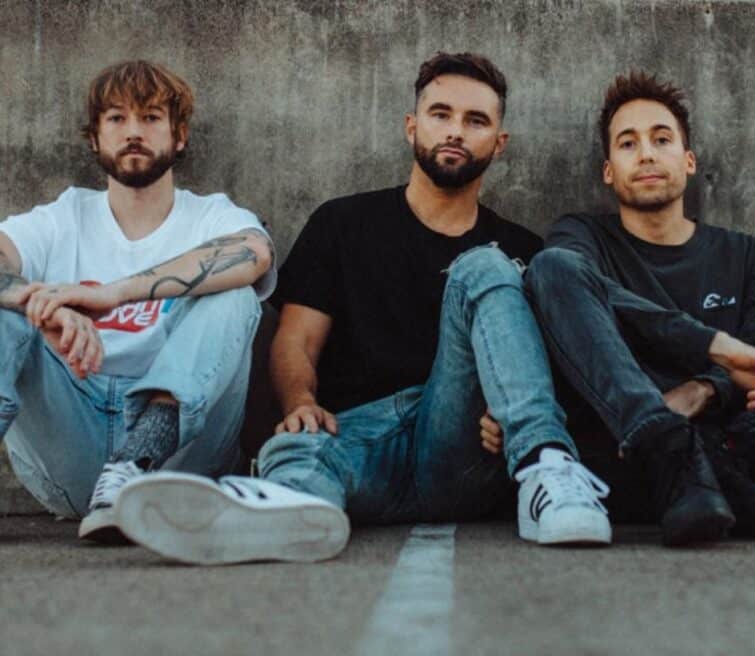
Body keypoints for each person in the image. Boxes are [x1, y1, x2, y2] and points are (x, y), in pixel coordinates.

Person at [111, 52, 617, 565]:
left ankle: (544, 463)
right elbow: (296, 340)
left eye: (476, 121)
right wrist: (300, 403)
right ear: (412, 125)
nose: (455, 131)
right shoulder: (342, 223)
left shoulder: (520, 249)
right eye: (441, 114)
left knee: (485, 266)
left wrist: (502, 413)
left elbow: (546, 364)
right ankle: (280, 515)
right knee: (293, 450)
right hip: (358, 438)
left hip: (462, 446)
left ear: (499, 142)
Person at [0, 60, 276, 542]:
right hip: (68, 442)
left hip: (179, 462)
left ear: (179, 135)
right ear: (94, 137)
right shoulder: (63, 217)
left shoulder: (211, 216)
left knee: (233, 294)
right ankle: (113, 482)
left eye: (150, 117)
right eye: (116, 118)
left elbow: (254, 254)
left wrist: (114, 292)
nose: (133, 132)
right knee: (5, 305)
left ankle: (132, 466)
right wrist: (38, 303)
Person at [515, 72, 755, 546]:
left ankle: (712, 487)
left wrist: (703, 389)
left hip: (728, 441)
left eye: (661, 139)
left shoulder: (749, 256)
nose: (646, 154)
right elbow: (563, 290)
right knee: (552, 268)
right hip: (623, 449)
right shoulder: (582, 238)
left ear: (688, 161)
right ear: (609, 171)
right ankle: (669, 446)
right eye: (628, 143)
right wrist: (713, 347)